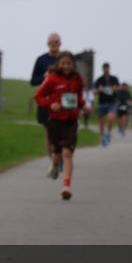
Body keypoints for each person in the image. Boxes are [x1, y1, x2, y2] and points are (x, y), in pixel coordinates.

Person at [34, 51, 89, 199]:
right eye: (63, 63)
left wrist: (84, 106)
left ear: (73, 65)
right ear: (58, 64)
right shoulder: (52, 79)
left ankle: (66, 186)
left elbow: (79, 97)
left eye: (69, 63)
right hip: (55, 121)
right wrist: (50, 105)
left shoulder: (78, 79)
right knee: (57, 152)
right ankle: (54, 165)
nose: (66, 66)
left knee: (67, 153)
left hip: (71, 122)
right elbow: (38, 96)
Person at [30, 33, 62, 173]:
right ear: (48, 44)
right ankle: (53, 162)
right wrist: (43, 77)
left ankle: (59, 157)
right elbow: (32, 81)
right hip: (46, 100)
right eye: (51, 42)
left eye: (56, 42)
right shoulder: (41, 60)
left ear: (60, 43)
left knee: (61, 131)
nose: (54, 44)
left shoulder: (65, 59)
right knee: (49, 132)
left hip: (61, 100)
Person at [92, 62, 120, 148]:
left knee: (110, 117)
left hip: (112, 102)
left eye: (107, 68)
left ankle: (108, 133)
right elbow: (94, 91)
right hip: (102, 102)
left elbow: (119, 88)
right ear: (103, 69)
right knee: (101, 121)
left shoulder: (114, 79)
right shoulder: (99, 80)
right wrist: (99, 90)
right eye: (104, 68)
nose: (106, 70)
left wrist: (115, 88)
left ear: (109, 69)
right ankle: (102, 137)